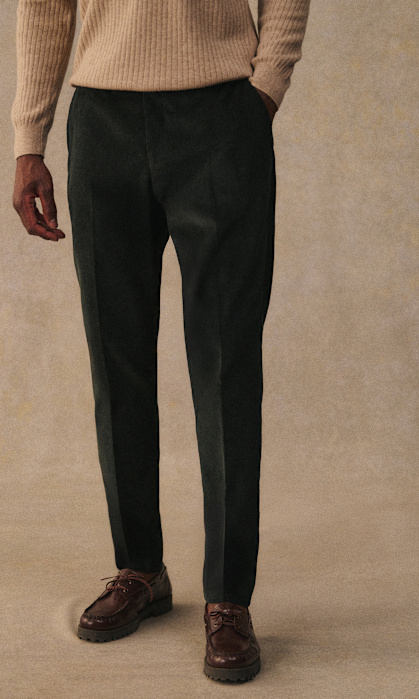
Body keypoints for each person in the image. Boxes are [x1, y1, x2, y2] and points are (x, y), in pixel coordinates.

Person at [11, 0, 311, 683]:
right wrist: (29, 138)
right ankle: (140, 568)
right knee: (115, 359)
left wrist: (265, 85)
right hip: (103, 122)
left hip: (220, 115)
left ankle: (228, 597)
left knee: (226, 363)